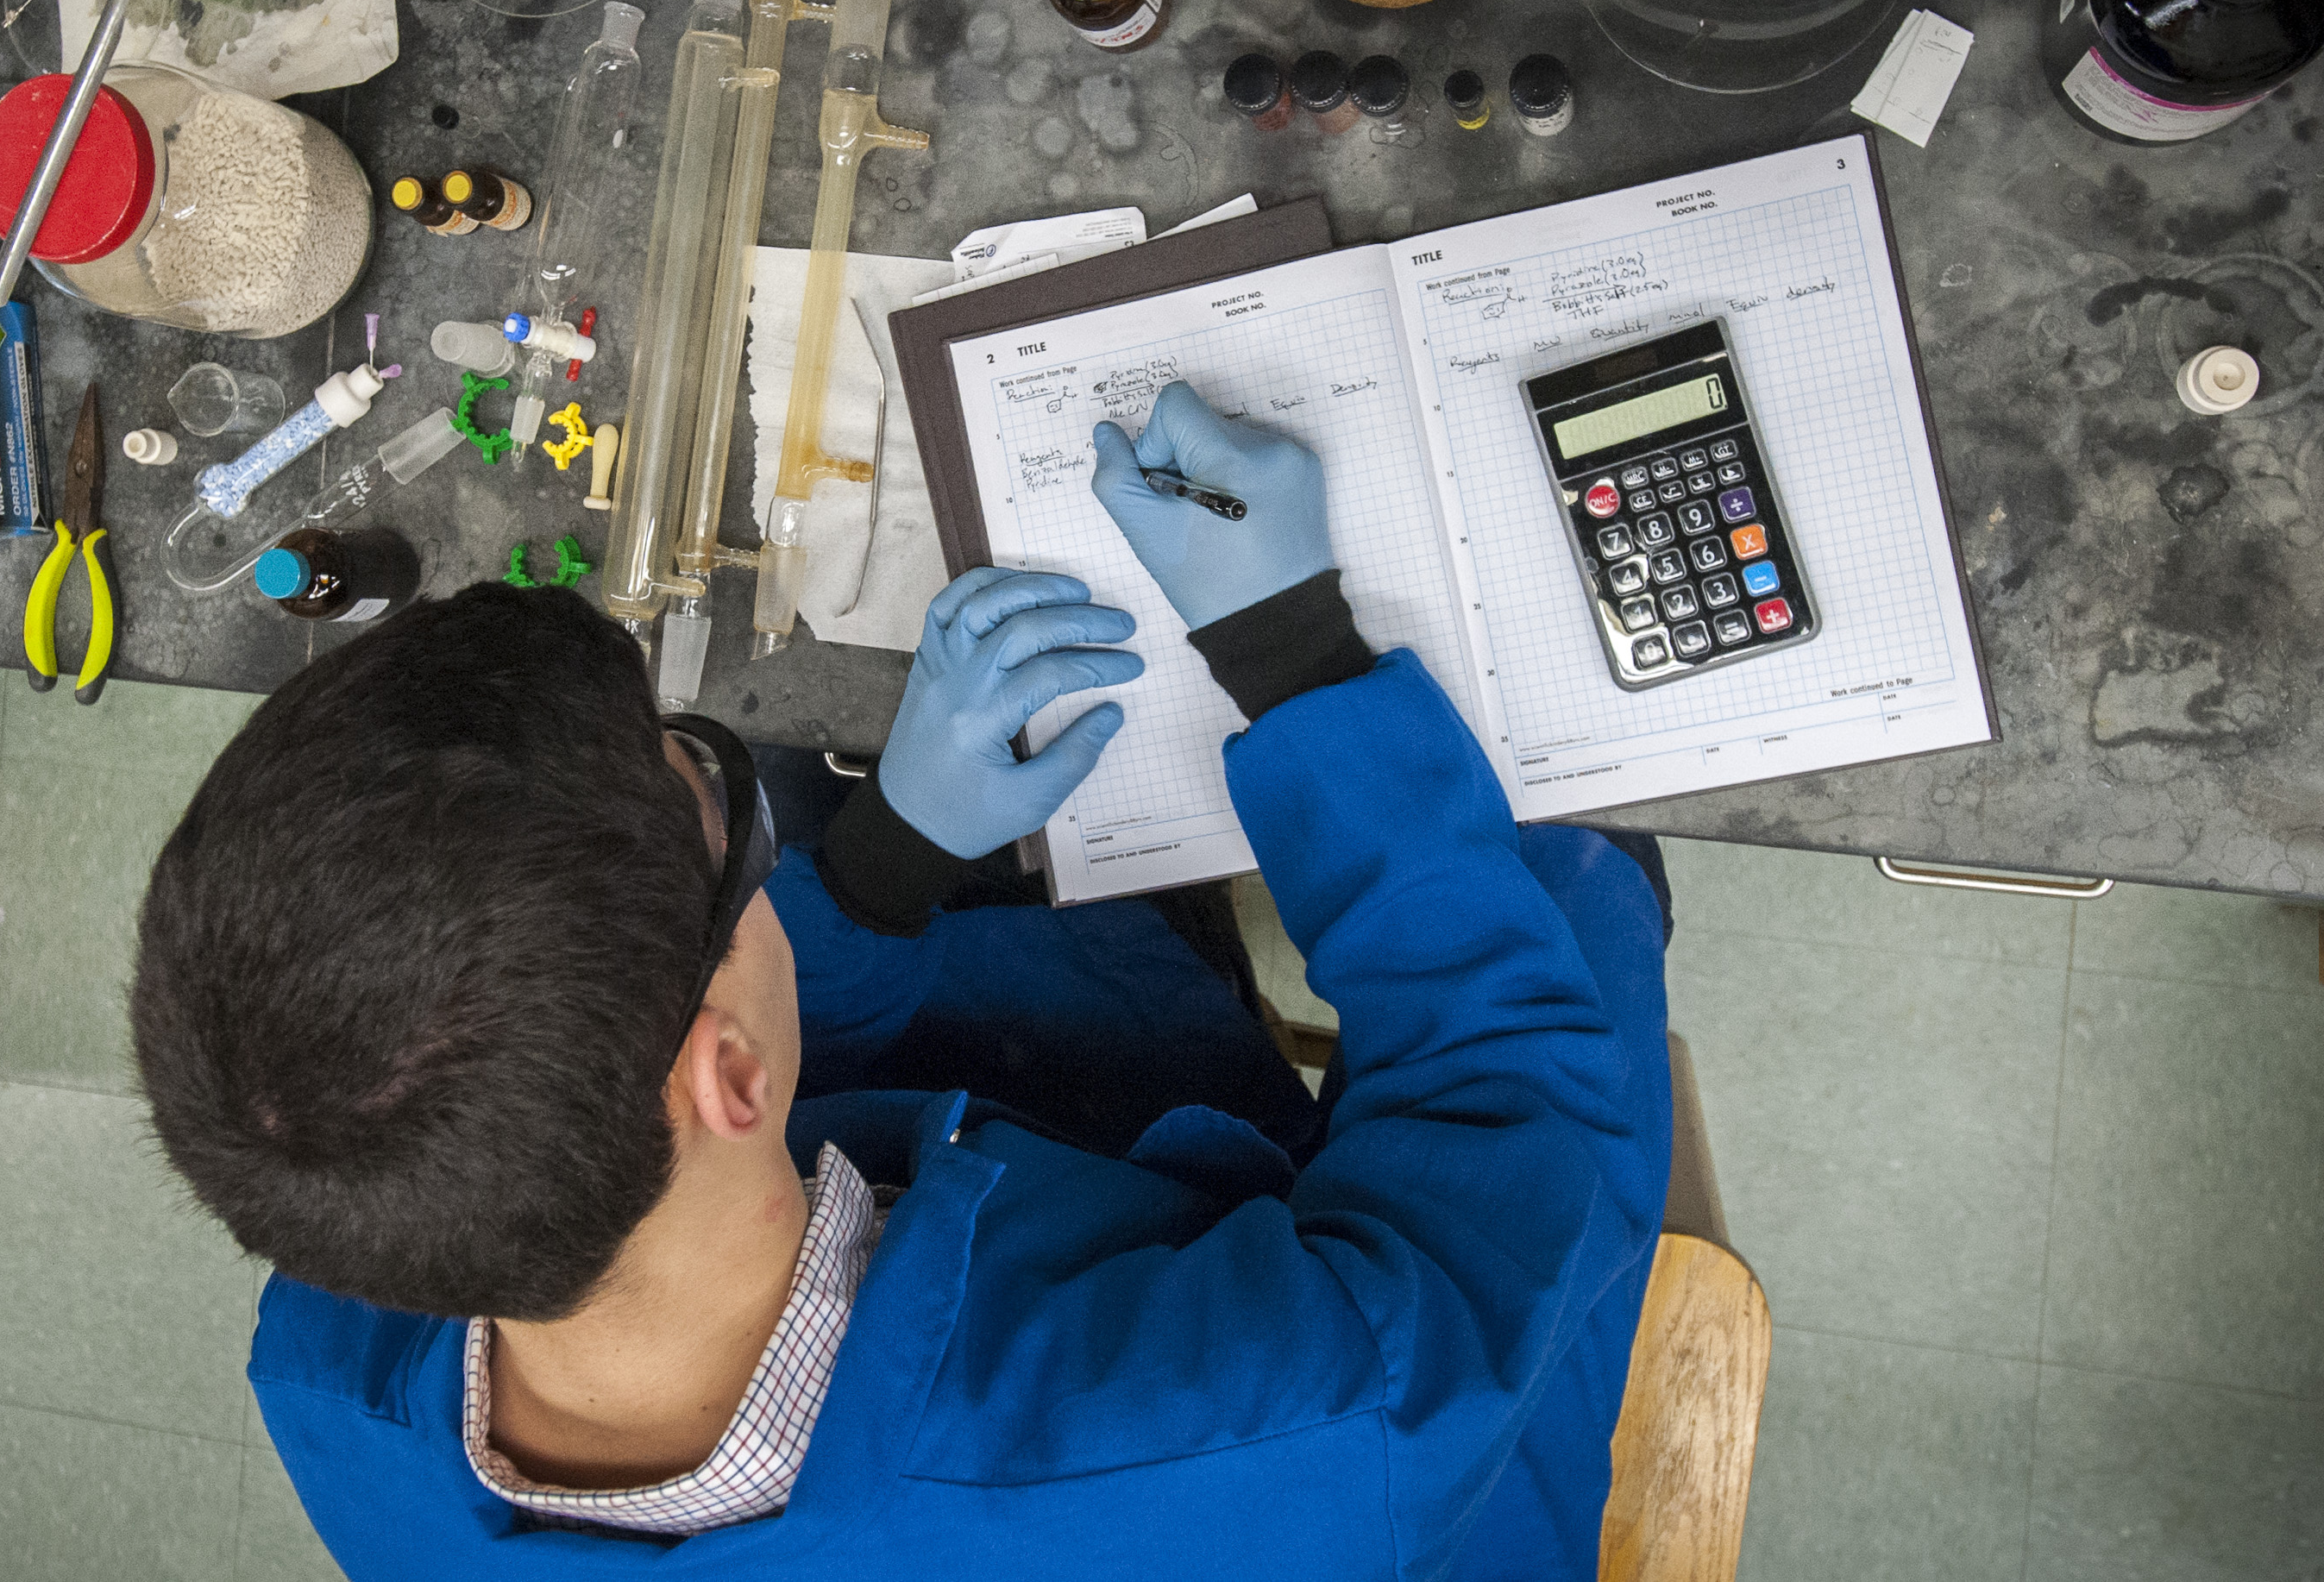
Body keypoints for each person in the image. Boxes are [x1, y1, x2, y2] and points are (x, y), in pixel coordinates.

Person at [132, 381, 1673, 1579]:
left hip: (978, 1218)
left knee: (830, 784)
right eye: (709, 815)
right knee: (1569, 875)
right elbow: (1506, 1121)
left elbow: (638, 1065)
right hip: (1410, 1404)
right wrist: (1296, 661)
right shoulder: (1309, 1423)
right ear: (729, 1072)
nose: (742, 833)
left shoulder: (337, 1338)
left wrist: (873, 869)